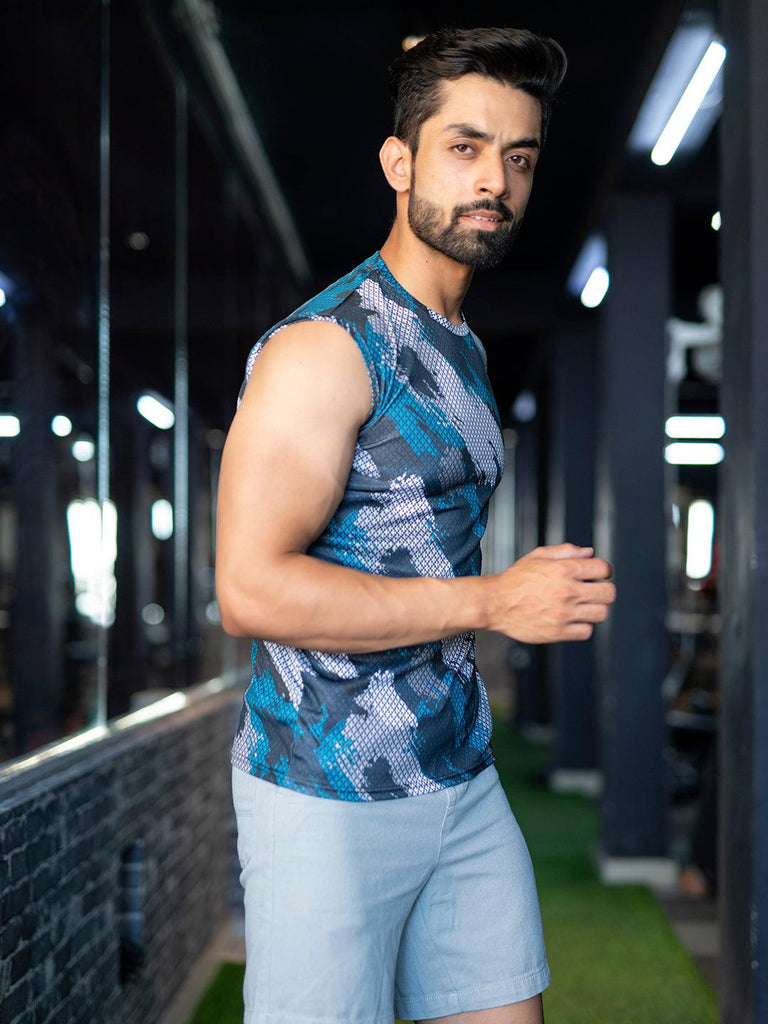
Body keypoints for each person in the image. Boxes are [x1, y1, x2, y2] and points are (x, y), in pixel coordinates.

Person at [216, 25, 616, 1024]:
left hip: (458, 775)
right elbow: (250, 589)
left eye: (518, 158)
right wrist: (495, 601)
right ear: (399, 163)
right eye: (464, 147)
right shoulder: (326, 347)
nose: (494, 181)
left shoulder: (459, 345)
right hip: (324, 793)